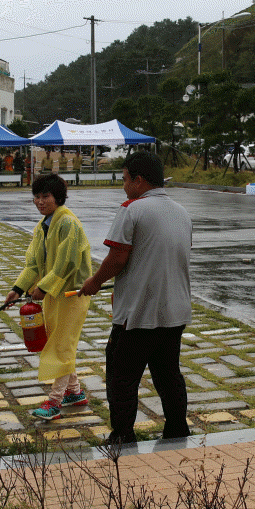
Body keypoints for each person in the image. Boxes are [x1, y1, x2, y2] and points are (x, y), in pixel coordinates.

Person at [80, 150, 192, 444]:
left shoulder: (133, 209)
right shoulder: (182, 212)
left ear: (139, 181)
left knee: (122, 376)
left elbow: (117, 258)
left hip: (139, 313)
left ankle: (122, 435)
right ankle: (177, 430)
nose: (124, 185)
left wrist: (94, 282)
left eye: (126, 179)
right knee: (168, 375)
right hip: (174, 310)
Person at [2, 174, 94, 422]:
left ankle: (54, 401)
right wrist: (18, 289)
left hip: (72, 295)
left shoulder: (68, 223)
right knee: (58, 341)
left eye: (46, 196)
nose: (40, 201)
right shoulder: (42, 227)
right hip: (54, 294)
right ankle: (74, 393)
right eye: (37, 196)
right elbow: (33, 264)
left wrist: (43, 287)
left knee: (61, 346)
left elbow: (68, 262)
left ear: (59, 198)